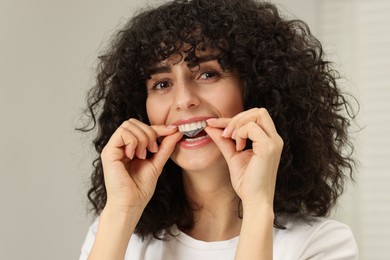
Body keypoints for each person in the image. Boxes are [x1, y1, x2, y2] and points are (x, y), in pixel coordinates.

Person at [78, 0, 359, 259]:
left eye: (208, 74)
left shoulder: (323, 243)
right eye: (162, 84)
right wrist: (122, 209)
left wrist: (258, 204)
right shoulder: (114, 234)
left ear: (255, 89)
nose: (184, 100)